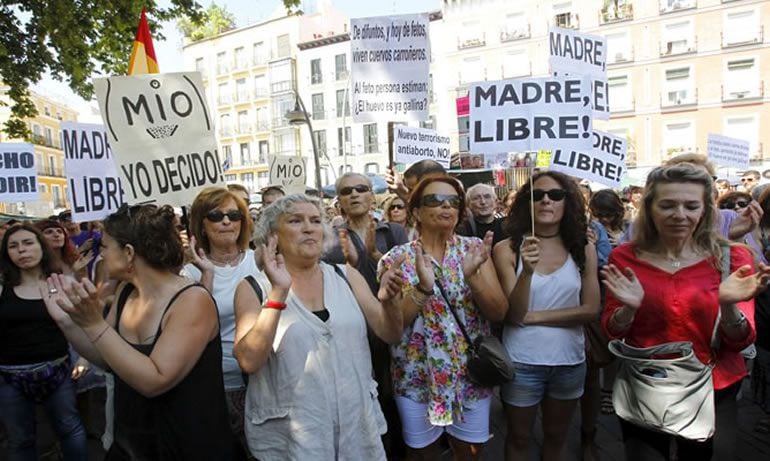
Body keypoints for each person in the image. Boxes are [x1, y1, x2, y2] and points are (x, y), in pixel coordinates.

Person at [40, 204, 241, 460]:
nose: (101, 254)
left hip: (185, 445)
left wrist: (93, 324)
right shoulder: (126, 291)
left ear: (129, 252)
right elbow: (108, 359)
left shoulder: (191, 300)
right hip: (134, 442)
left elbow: (155, 381)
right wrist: (67, 323)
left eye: (105, 246)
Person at [601, 163, 768, 460]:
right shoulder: (624, 256)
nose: (680, 215)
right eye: (668, 205)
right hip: (648, 384)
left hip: (715, 385)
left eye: (691, 206)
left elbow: (741, 341)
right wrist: (627, 310)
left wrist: (728, 307)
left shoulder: (733, 257)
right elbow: (612, 331)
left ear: (705, 210)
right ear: (650, 208)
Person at [233, 194, 405, 460]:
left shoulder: (346, 275)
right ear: (272, 235)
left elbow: (391, 334)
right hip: (293, 439)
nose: (308, 227)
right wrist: (278, 293)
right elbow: (249, 361)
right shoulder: (254, 287)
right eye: (295, 220)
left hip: (356, 429)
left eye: (315, 221)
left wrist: (391, 302)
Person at [378, 175, 509, 460]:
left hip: (469, 375)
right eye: (435, 200)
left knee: (470, 453)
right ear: (416, 211)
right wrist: (423, 290)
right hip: (416, 377)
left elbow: (498, 312)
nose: (446, 206)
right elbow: (394, 328)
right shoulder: (395, 259)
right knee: (423, 455)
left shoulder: (475, 249)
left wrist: (473, 277)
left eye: (453, 201)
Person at [493, 171, 600, 461]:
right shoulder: (508, 249)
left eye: (555, 195)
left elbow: (591, 309)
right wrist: (526, 272)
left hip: (569, 362)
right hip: (522, 362)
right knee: (519, 437)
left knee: (556, 437)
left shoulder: (583, 247)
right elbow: (514, 314)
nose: (546, 201)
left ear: (568, 203)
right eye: (536, 195)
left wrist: (534, 317)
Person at [183, 187, 264, 455]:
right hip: (212, 384)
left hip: (260, 379)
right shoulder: (189, 273)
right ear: (202, 226)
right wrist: (207, 275)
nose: (227, 221)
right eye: (216, 215)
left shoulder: (260, 262)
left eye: (234, 214)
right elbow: (193, 330)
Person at [0, 223, 87, 460]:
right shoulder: (2, 287)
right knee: (20, 439)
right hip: (10, 377)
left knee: (70, 429)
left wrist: (84, 359)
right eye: (13, 246)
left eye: (28, 243)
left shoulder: (62, 284)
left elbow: (84, 326)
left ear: (41, 247)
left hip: (58, 370)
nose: (21, 250)